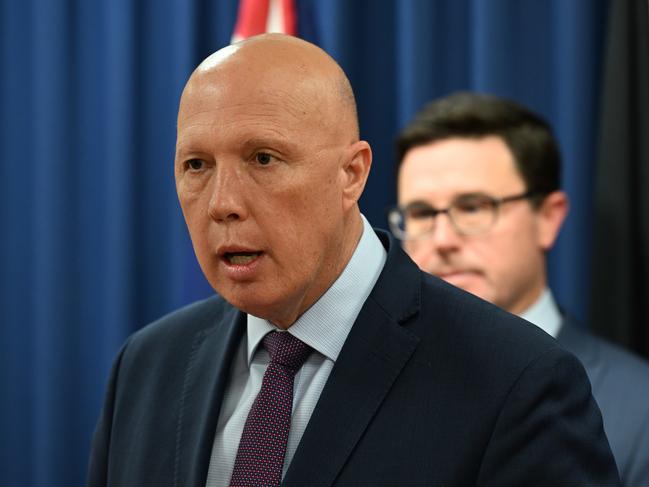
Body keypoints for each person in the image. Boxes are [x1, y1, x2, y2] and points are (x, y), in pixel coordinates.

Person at [87, 35, 620, 486]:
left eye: (263, 159)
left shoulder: (516, 380)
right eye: (196, 164)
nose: (223, 202)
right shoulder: (146, 365)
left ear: (352, 174)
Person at [392, 91, 649, 486]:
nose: (442, 239)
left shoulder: (639, 410)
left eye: (473, 207)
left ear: (548, 217)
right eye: (422, 214)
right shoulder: (371, 390)